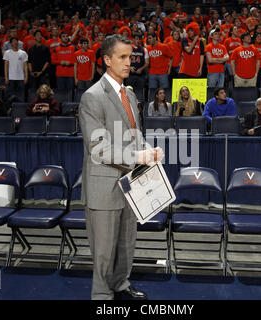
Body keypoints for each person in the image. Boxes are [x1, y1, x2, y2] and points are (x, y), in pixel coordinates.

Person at [78, 34, 164, 300]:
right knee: (104, 250)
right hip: (103, 185)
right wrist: (139, 155)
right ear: (107, 60)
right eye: (122, 57)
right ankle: (102, 296)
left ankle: (121, 285)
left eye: (131, 57)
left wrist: (149, 150)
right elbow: (99, 148)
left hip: (131, 184)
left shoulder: (129, 93)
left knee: (126, 243)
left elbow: (133, 135)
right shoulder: (92, 97)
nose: (129, 62)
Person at [146, 33, 173, 102]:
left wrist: (169, 69)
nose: (149, 40)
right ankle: (152, 107)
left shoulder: (164, 46)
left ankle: (166, 106)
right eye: (148, 38)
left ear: (155, 38)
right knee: (152, 91)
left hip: (163, 73)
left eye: (150, 38)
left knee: (165, 91)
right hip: (152, 73)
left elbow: (171, 57)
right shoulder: (147, 48)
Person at [125, 32, 149, 103]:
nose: (138, 41)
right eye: (136, 39)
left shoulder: (144, 49)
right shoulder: (128, 49)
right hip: (130, 75)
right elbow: (123, 60)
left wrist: (141, 69)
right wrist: (129, 68)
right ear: (133, 40)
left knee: (140, 96)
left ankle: (140, 111)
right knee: (128, 94)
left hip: (140, 75)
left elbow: (147, 62)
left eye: (139, 39)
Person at [3, 37, 28, 102]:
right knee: (10, 97)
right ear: (11, 44)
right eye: (13, 41)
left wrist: (26, 77)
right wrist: (6, 77)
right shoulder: (7, 53)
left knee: (21, 97)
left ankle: (20, 110)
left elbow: (25, 66)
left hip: (21, 78)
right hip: (11, 78)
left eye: (16, 41)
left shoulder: (23, 53)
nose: (15, 42)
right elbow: (6, 66)